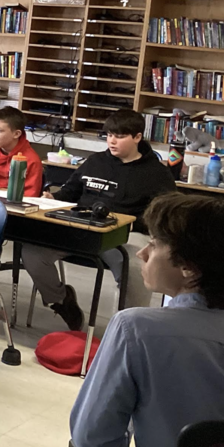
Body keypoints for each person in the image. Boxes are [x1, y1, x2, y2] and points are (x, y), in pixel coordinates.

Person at [71, 193, 224, 447]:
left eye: (155, 244)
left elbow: (92, 440)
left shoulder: (137, 330)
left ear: (189, 267)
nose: (143, 252)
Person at [24, 109, 176, 331]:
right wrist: (52, 198)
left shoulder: (156, 173)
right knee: (33, 252)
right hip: (80, 226)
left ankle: (127, 328)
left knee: (134, 267)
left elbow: (165, 215)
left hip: (124, 234)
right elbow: (70, 192)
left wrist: (134, 224)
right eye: (109, 135)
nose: (112, 141)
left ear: (137, 137)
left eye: (120, 136)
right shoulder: (95, 161)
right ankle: (61, 300)